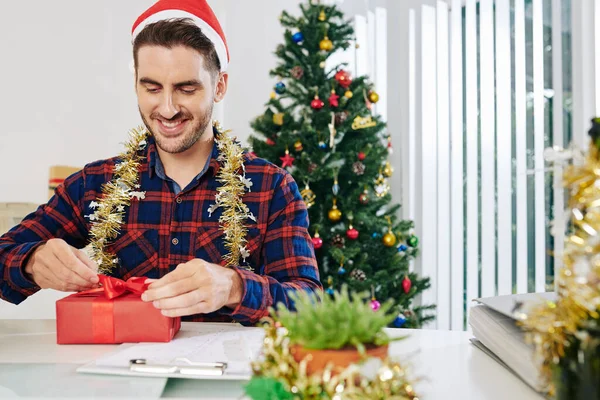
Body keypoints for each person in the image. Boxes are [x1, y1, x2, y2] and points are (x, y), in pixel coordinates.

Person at [0, 0, 321, 325]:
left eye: (186, 88)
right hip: (121, 374)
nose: (167, 109)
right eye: (152, 87)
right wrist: (31, 261)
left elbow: (309, 306)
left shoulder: (272, 187)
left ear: (219, 86)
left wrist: (234, 287)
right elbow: (4, 254)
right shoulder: (93, 185)